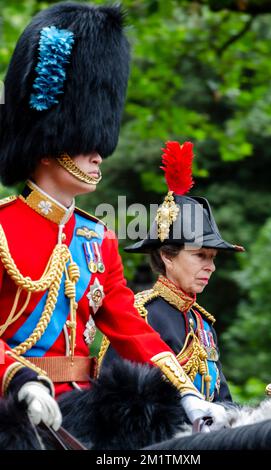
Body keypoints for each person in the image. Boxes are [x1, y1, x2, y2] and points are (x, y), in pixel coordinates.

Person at [0, 2, 229, 442]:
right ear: (50, 140)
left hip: (83, 415)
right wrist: (19, 380)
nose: (98, 153)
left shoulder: (97, 237)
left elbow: (130, 327)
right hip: (12, 410)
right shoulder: (4, 227)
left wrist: (187, 393)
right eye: (86, 141)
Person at [101, 141, 245, 405]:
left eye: (213, 258)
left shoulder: (203, 324)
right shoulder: (140, 313)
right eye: (200, 255)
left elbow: (222, 399)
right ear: (167, 255)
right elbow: (114, 399)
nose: (210, 267)